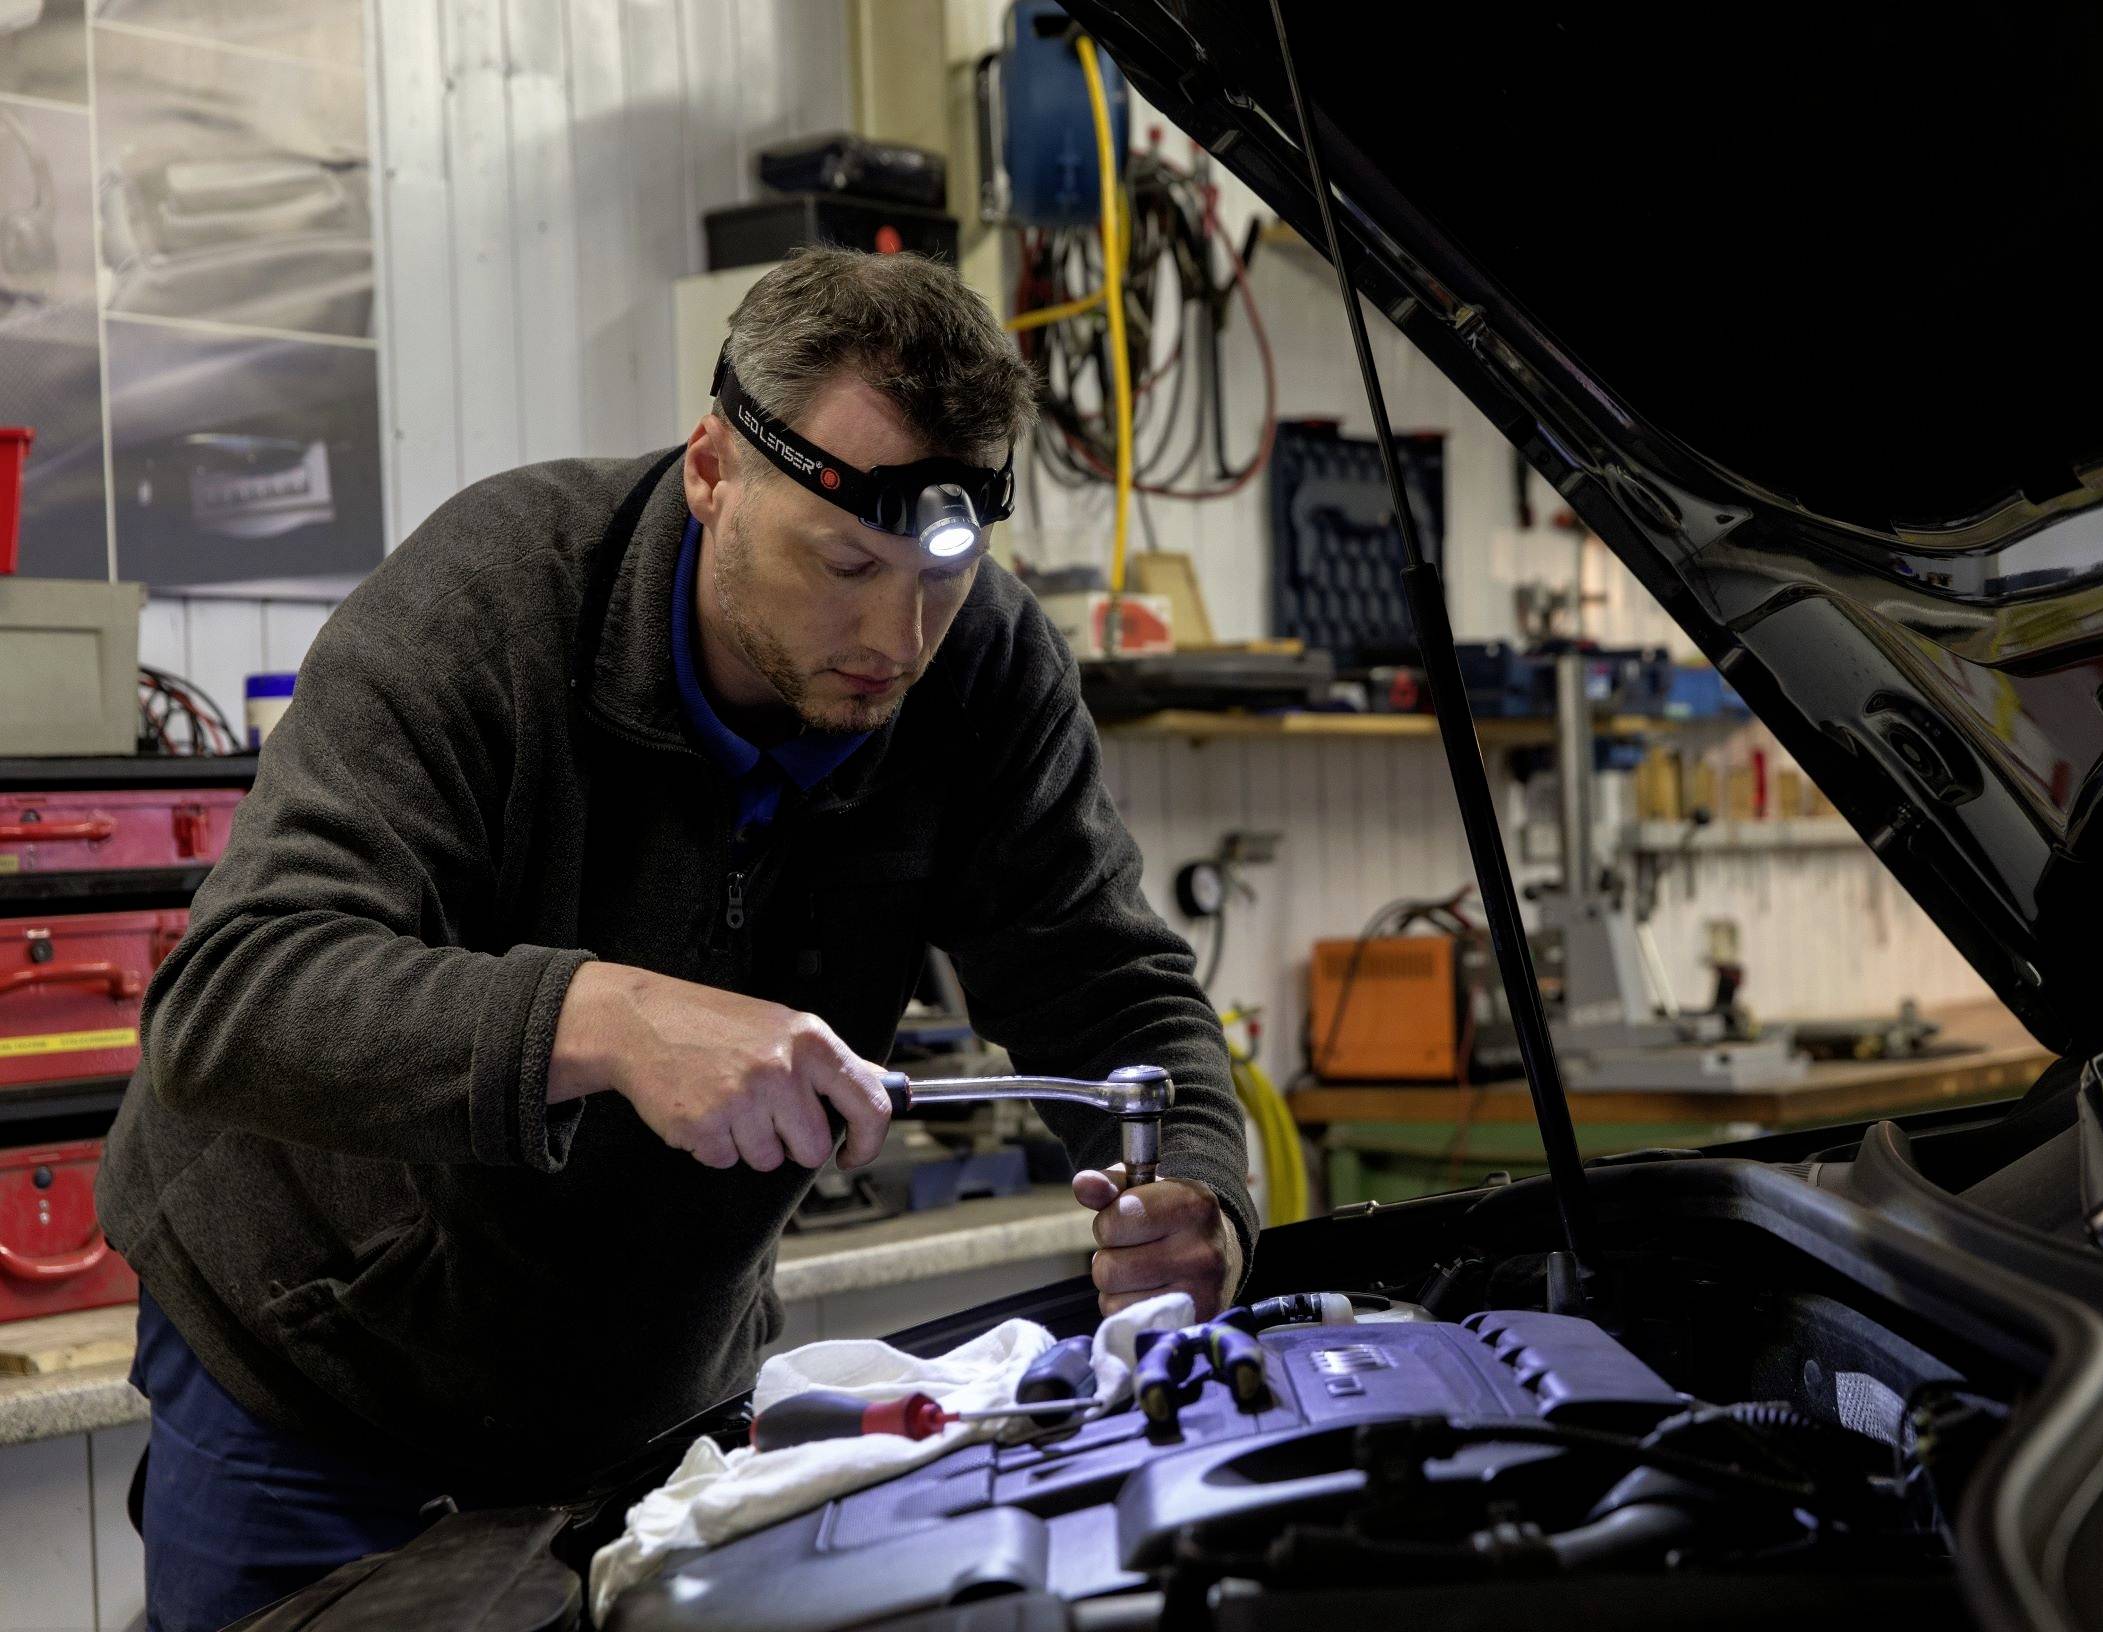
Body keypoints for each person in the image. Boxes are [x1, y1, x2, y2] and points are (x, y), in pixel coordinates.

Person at [96, 245, 1255, 1631]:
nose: (895, 638)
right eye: (842, 564)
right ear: (713, 470)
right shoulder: (494, 599)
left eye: (937, 579)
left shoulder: (983, 668)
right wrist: (615, 1020)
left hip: (648, 1397)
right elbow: (235, 1001)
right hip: (315, 1366)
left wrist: (1191, 1180)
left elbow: (1108, 985)